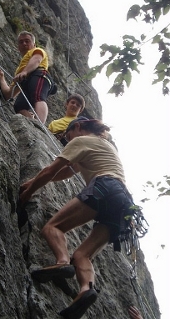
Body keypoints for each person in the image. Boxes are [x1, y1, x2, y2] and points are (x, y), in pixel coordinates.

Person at [19, 116, 135, 319]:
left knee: (52, 228)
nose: (66, 139)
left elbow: (50, 171)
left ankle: (62, 261)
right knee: (83, 255)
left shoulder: (81, 140)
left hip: (105, 187)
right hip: (125, 204)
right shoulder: (105, 146)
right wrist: (32, 181)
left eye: (68, 134)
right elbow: (66, 172)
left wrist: (27, 194)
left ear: (78, 127)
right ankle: (85, 290)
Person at [0, 31, 55, 124]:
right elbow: (8, 94)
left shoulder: (37, 51)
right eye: (21, 42)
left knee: (38, 96)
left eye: (27, 41)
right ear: (18, 47)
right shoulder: (20, 70)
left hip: (39, 74)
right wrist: (1, 78)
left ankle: (40, 125)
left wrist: (25, 72)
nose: (24, 43)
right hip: (27, 81)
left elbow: (37, 60)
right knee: (19, 106)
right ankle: (32, 123)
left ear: (34, 44)